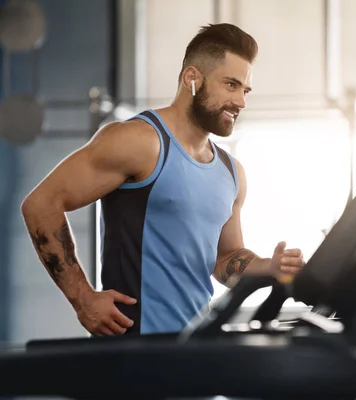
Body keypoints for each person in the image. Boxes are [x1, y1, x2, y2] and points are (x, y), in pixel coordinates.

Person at [20, 23, 305, 337]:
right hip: (135, 350)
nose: (241, 102)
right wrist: (82, 297)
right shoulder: (139, 141)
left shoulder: (231, 171)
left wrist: (269, 266)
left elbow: (225, 258)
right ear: (192, 79)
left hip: (195, 350)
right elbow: (40, 204)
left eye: (245, 90)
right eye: (230, 85)